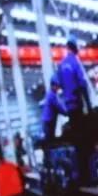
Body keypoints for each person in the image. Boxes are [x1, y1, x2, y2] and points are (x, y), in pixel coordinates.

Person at [57, 38, 92, 184]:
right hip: (78, 105)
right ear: (74, 48)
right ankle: (88, 175)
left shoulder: (61, 65)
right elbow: (82, 84)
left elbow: (60, 84)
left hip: (70, 108)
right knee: (85, 140)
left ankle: (81, 176)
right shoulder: (74, 62)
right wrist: (88, 105)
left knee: (77, 142)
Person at [40, 75, 67, 146]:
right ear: (53, 85)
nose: (58, 88)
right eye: (57, 86)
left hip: (48, 122)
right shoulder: (51, 95)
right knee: (50, 141)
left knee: (51, 140)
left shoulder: (51, 94)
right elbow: (58, 107)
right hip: (48, 122)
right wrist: (67, 113)